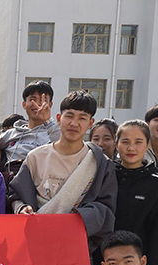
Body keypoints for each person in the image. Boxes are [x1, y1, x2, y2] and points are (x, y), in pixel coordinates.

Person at [8, 90, 117, 253]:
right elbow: (15, 194)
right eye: (69, 116)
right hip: (35, 242)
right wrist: (21, 208)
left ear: (90, 123)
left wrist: (76, 221)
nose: (74, 123)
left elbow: (105, 207)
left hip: (76, 246)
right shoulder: (35, 156)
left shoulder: (99, 162)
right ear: (59, 118)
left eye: (82, 118)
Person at [112, 120, 158, 265]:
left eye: (138, 142)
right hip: (102, 262)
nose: (131, 148)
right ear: (116, 144)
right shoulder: (105, 175)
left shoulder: (157, 184)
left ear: (148, 145)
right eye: (125, 142)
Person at [0, 80, 61, 175]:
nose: (38, 104)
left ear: (50, 105)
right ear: (24, 104)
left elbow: (67, 148)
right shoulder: (10, 134)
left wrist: (47, 120)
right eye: (33, 99)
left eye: (43, 100)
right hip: (12, 180)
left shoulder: (54, 133)